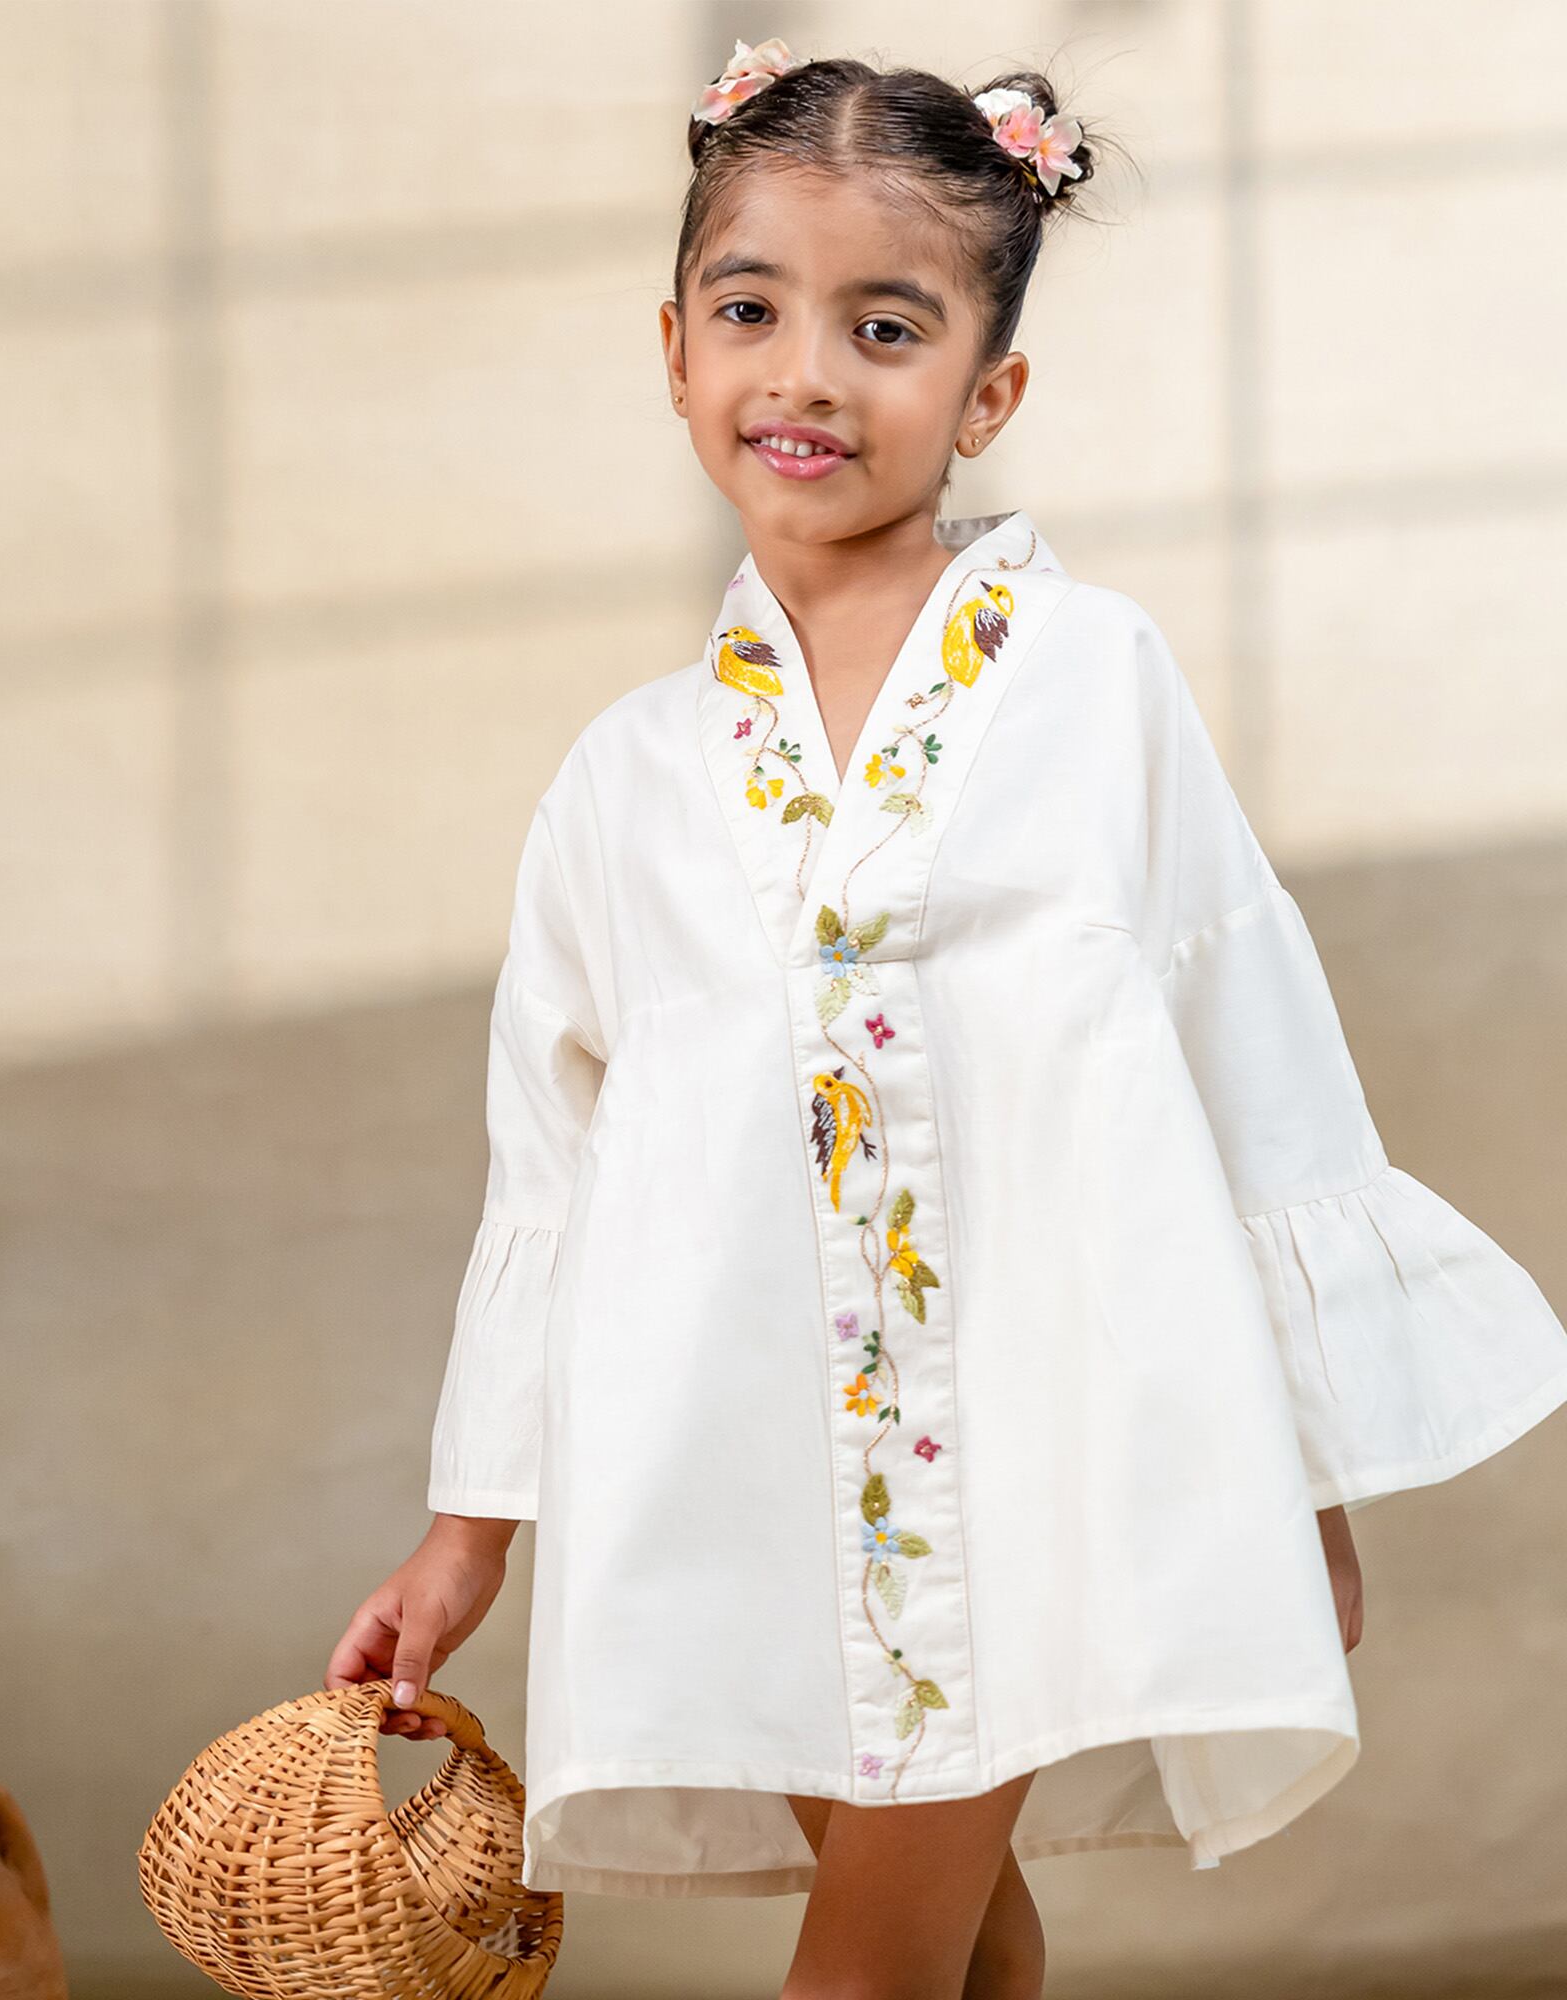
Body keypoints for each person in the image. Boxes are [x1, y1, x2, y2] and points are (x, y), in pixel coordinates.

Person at [326, 38, 1567, 2000]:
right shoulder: (622, 781)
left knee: (859, 1977)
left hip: (1028, 1466)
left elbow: (1243, 1054)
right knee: (965, 1952)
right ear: (673, 349)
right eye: (750, 310)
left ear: (989, 391)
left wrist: (1298, 1479)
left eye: (885, 328)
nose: (806, 375)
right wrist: (466, 1538)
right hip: (737, 1467)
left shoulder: (1090, 681)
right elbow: (547, 1177)